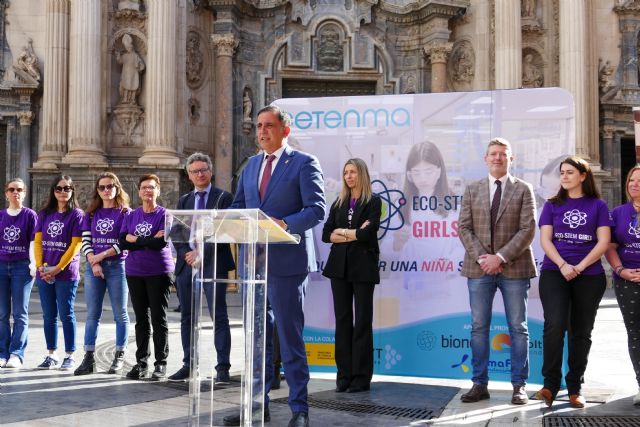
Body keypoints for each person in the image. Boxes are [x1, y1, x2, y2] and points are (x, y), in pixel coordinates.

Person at [225, 105, 325, 427]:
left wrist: (285, 224)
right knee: (257, 339)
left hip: (287, 263)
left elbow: (317, 209)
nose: (262, 131)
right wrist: (233, 220)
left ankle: (299, 409)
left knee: (289, 338)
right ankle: (257, 405)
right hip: (253, 263)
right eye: (258, 126)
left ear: (285, 130)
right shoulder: (251, 165)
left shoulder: (304, 163)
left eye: (269, 125)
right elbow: (240, 205)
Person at [458, 137, 537, 405]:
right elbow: (464, 228)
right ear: (485, 158)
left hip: (515, 268)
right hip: (479, 268)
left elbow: (528, 229)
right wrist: (485, 259)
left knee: (518, 327)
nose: (497, 158)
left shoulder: (524, 189)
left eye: (503, 154)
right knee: (479, 327)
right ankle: (479, 384)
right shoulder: (472, 189)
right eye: (493, 154)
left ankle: (519, 386)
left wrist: (500, 257)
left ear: (511, 159)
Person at [535, 156, 611, 408]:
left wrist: (579, 266)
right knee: (555, 324)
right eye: (562, 173)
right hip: (555, 272)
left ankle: (575, 387)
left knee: (581, 331)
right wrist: (563, 265)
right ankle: (550, 385)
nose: (564, 176)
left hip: (588, 275)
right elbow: (546, 240)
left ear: (583, 176)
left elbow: (603, 242)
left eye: (569, 172)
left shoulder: (598, 205)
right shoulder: (552, 204)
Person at [168, 153, 235, 383]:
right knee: (187, 317)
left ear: (211, 171)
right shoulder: (184, 200)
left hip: (214, 264)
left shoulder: (223, 198)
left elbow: (225, 230)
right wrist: (187, 252)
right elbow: (177, 231)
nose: (200, 174)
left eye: (203, 170)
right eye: (195, 171)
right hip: (187, 267)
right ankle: (189, 363)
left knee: (219, 316)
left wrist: (202, 252)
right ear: (189, 175)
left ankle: (223, 367)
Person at [321, 158, 381, 393]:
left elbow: (368, 234)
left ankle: (361, 377)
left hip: (363, 268)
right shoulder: (338, 203)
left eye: (353, 172)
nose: (348, 176)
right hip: (339, 268)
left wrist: (343, 233)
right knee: (343, 322)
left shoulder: (374, 202)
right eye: (345, 172)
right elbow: (327, 234)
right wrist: (354, 232)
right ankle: (343, 375)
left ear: (362, 175)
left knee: (362, 322)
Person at [74, 173, 131, 376]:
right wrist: (93, 260)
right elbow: (85, 241)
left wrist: (100, 257)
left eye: (109, 186)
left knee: (120, 314)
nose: (106, 190)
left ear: (117, 188)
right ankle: (89, 358)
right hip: (93, 268)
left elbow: (123, 242)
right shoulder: (91, 214)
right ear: (97, 191)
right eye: (102, 187)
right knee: (92, 315)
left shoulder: (125, 213)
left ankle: (119, 356)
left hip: (117, 266)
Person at [119, 174, 174, 380]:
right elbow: (123, 241)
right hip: (134, 272)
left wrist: (136, 239)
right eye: (144, 187)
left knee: (159, 319)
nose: (147, 191)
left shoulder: (165, 215)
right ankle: (141, 363)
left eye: (151, 187)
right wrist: (147, 239)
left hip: (158, 272)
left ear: (158, 191)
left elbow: (160, 243)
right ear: (139, 191)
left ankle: (161, 363)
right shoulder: (131, 215)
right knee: (141, 320)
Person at [34, 175, 84, 370]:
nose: (63, 192)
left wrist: (57, 268)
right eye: (59, 188)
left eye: (67, 188)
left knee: (66, 314)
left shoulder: (77, 215)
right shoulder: (44, 214)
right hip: (44, 271)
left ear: (72, 191)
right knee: (48, 315)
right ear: (53, 191)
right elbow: (38, 242)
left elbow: (75, 245)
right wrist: (40, 266)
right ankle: (51, 354)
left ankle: (69, 355)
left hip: (65, 273)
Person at [605, 165, 640, 406]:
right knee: (635, 334)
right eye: (631, 180)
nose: (634, 184)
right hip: (626, 280)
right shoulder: (618, 213)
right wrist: (620, 270)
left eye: (639, 181)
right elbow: (610, 246)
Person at [0, 179, 37, 369]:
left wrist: (34, 266)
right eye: (12, 189)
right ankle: (2, 352)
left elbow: (34, 241)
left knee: (20, 313)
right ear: (6, 193)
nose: (15, 192)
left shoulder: (30, 215)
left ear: (24, 193)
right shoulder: (0, 216)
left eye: (19, 190)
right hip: (1, 266)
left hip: (21, 267)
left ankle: (17, 353)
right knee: (2, 313)